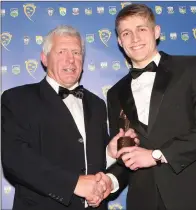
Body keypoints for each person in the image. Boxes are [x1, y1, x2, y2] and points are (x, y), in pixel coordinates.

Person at [1, 25, 136, 210]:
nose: (70, 59)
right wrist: (74, 184)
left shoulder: (97, 104)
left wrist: (109, 154)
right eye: (62, 52)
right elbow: (16, 158)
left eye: (76, 52)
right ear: (44, 59)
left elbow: (87, 159)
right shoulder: (17, 99)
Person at [106, 4, 196, 210]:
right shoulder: (114, 93)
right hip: (143, 202)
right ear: (119, 40)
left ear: (156, 31)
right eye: (126, 33)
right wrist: (109, 180)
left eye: (141, 29)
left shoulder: (191, 67)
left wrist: (156, 155)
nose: (134, 38)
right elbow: (126, 153)